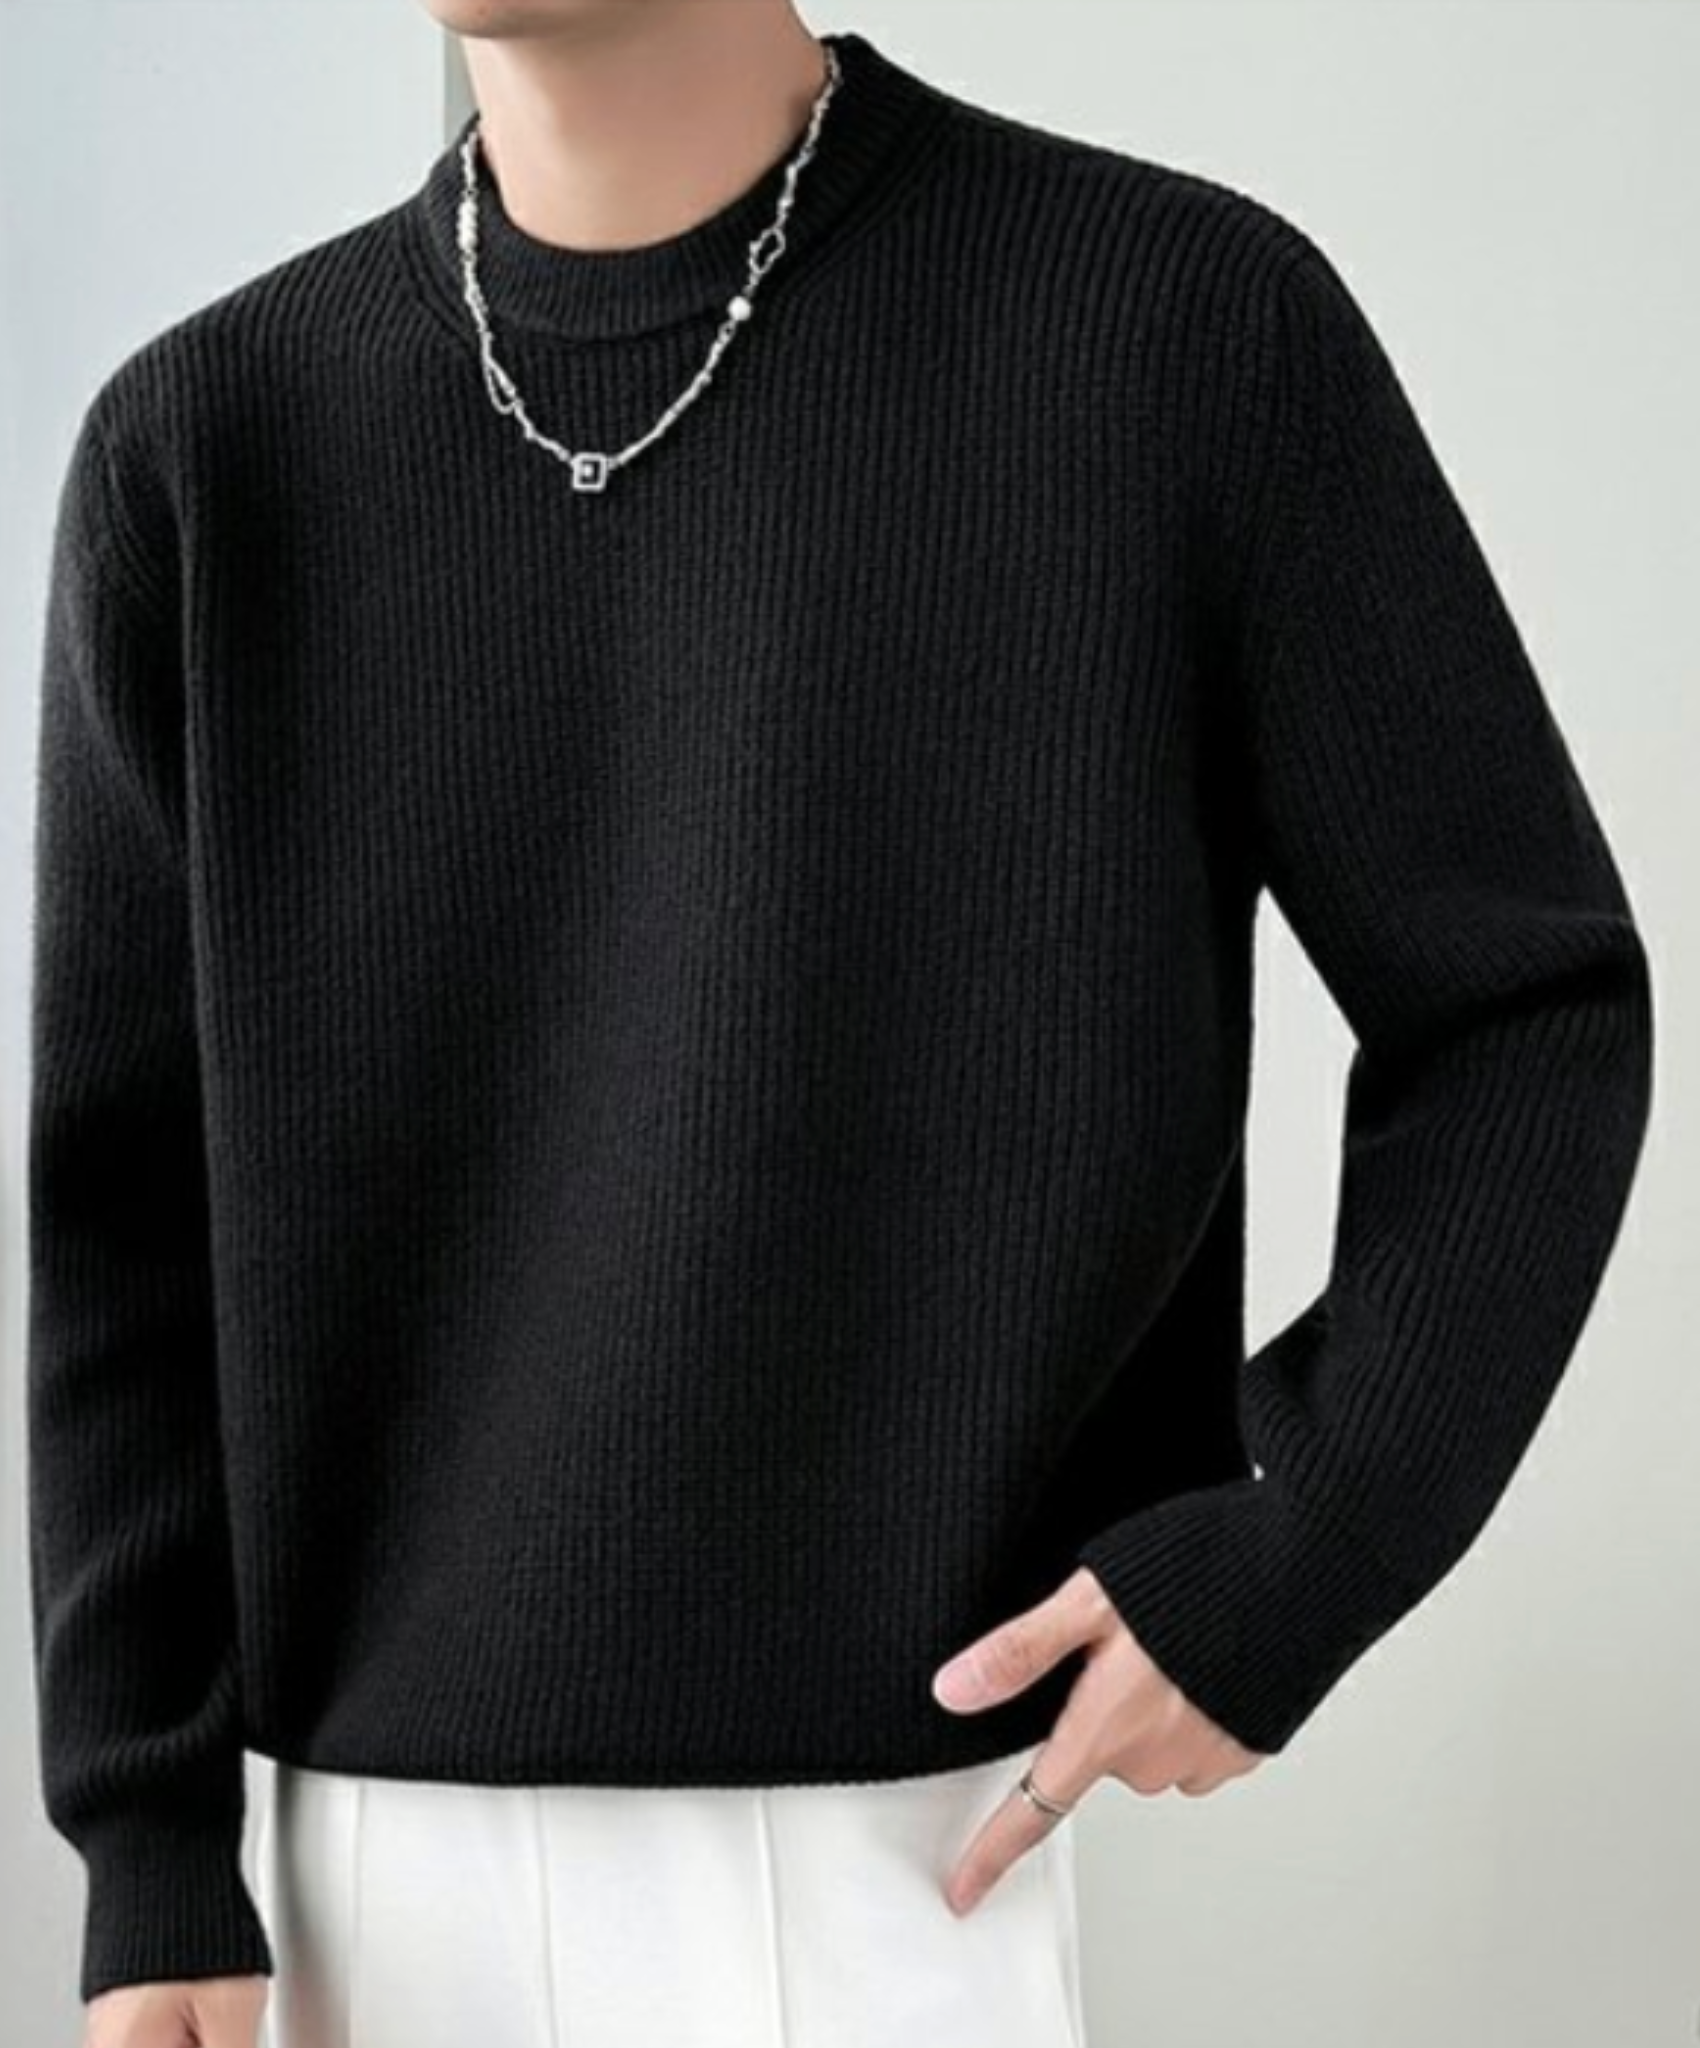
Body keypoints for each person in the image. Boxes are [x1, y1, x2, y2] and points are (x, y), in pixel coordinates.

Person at [26, 2, 1654, 2044]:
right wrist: (147, 1841)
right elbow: (124, 1223)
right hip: (353, 1887)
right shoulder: (207, 450)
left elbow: (1524, 1005)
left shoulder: (1171, 329)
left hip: (914, 1855)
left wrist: (1307, 1546)